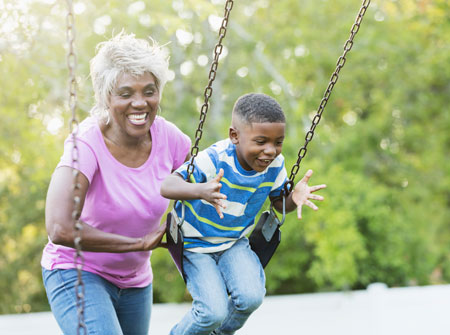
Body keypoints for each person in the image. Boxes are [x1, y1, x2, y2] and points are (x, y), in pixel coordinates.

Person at [41, 32, 191, 335]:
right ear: (106, 97)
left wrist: (280, 195)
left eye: (149, 91)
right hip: (77, 272)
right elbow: (59, 227)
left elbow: (210, 184)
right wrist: (137, 244)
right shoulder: (85, 144)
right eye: (125, 94)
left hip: (135, 280)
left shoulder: (170, 139)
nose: (140, 103)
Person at [160, 92, 327, 335]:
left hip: (233, 243)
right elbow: (167, 186)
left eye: (278, 142)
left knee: (251, 297)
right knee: (212, 312)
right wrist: (201, 191)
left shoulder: (275, 165)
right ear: (234, 136)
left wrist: (294, 198)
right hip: (196, 246)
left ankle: (221, 333)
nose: (270, 150)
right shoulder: (214, 159)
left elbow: (280, 203)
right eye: (261, 142)